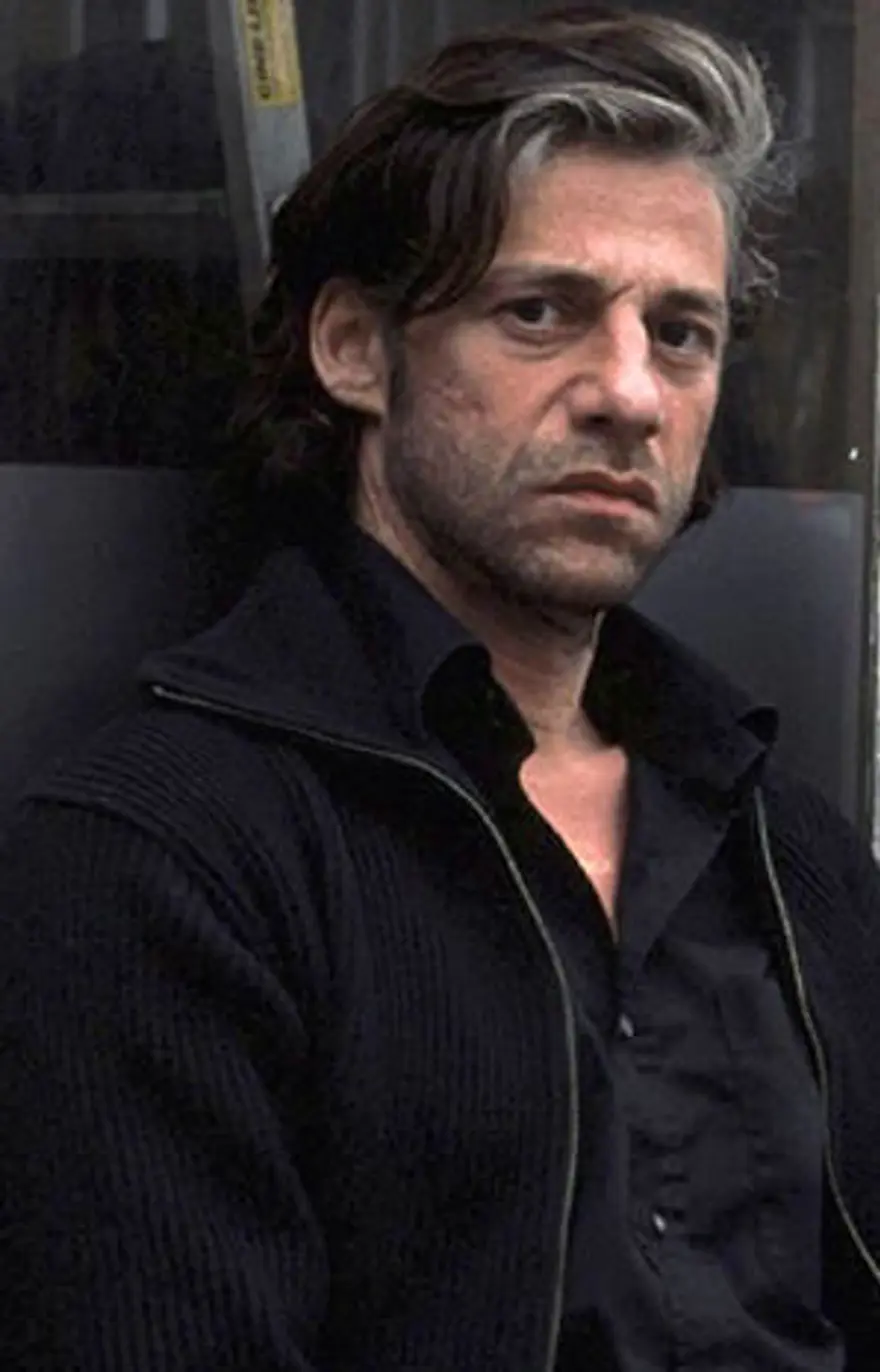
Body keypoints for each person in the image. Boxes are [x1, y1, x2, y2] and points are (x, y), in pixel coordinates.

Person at [1, 6, 879, 1369]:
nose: (631, 394)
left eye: (681, 333)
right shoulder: (162, 854)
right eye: (542, 312)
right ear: (356, 349)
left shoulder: (788, 847)